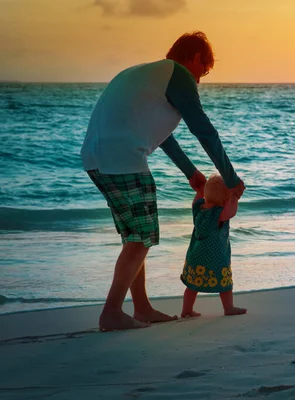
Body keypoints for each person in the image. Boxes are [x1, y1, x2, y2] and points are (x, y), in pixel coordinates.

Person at [80, 31, 245, 331]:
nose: (199, 80)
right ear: (194, 58)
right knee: (141, 238)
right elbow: (203, 129)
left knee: (134, 238)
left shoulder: (147, 74)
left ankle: (140, 308)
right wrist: (231, 178)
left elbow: (162, 134)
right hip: (123, 158)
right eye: (204, 71)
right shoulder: (178, 75)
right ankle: (112, 311)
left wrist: (190, 173)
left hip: (95, 158)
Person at [181, 173, 246, 318]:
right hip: (216, 258)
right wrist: (234, 195)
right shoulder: (218, 214)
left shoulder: (198, 208)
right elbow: (232, 211)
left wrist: (199, 190)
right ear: (224, 199)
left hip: (195, 256)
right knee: (225, 285)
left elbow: (197, 199)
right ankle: (228, 308)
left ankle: (186, 310)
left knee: (191, 286)